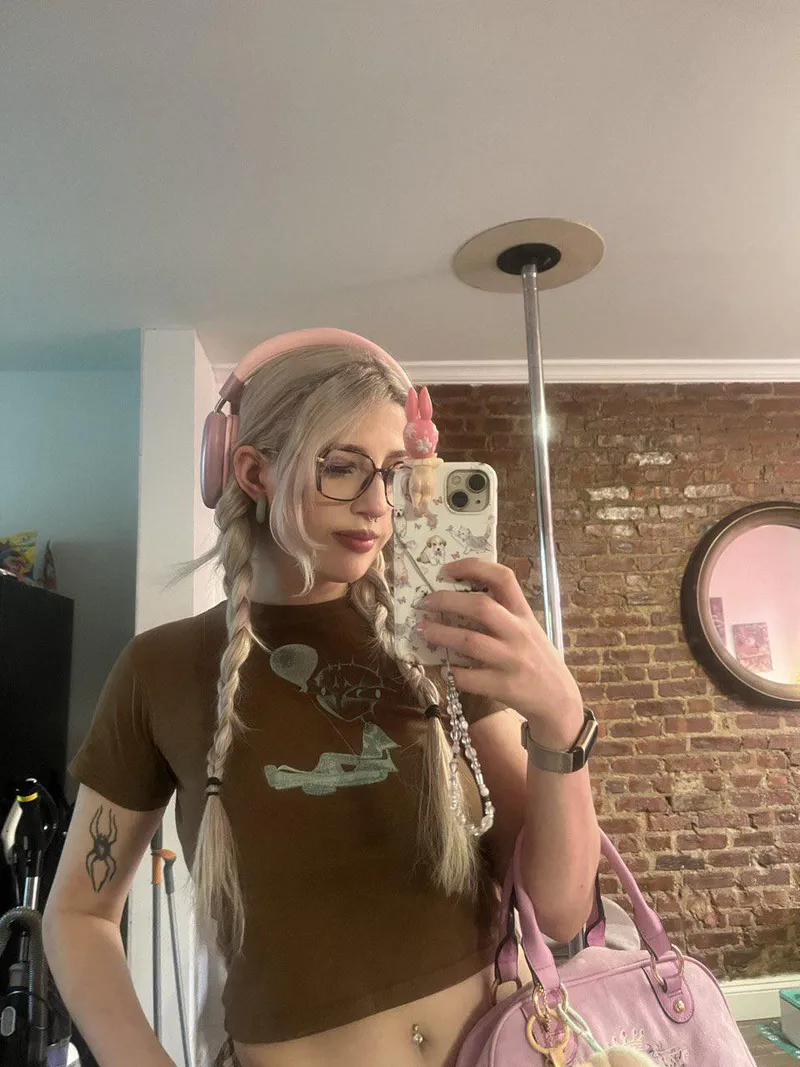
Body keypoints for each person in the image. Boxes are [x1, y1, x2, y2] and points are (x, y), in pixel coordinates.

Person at [42, 330, 599, 1067]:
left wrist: (561, 722)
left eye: (395, 474)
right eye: (342, 468)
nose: (377, 505)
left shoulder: (439, 640)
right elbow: (79, 913)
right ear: (253, 470)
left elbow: (558, 910)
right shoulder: (162, 669)